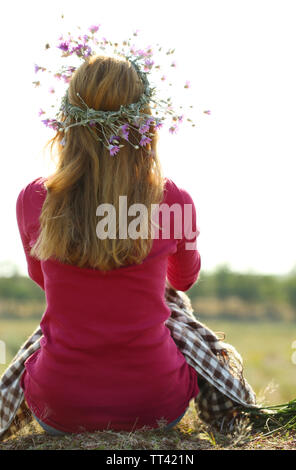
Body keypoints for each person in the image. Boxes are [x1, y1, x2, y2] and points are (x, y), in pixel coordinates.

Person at [16, 55, 201, 435]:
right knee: (179, 313)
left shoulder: (34, 199)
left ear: (69, 119)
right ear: (144, 120)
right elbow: (184, 280)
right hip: (156, 401)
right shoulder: (172, 200)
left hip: (60, 407)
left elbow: (43, 280)